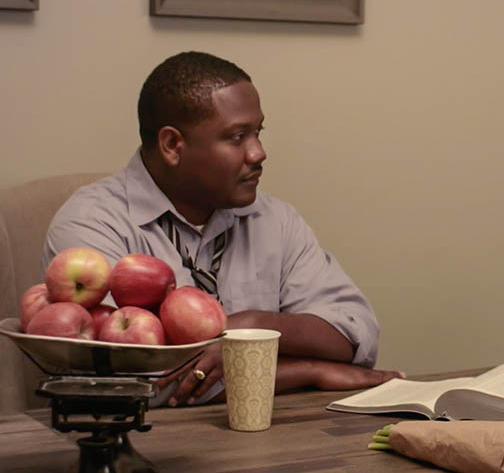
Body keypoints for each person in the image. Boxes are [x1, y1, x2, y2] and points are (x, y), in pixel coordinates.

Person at [43, 51, 403, 407]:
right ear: (172, 145)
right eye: (236, 137)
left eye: (258, 132)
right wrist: (309, 371)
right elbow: (127, 385)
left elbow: (353, 335)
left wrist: (246, 326)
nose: (258, 153)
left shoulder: (274, 219)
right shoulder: (90, 224)